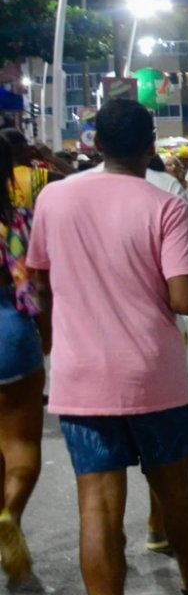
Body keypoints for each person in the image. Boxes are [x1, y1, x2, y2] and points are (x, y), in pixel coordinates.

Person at [27, 99, 188, 594]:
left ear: (95, 144)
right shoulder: (165, 205)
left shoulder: (54, 199)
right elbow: (186, 300)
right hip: (153, 377)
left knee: (97, 507)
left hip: (81, 377)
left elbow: (41, 284)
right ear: (150, 147)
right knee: (174, 490)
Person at [0, 137, 42, 585]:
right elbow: (36, 284)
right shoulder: (17, 219)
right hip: (10, 333)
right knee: (19, 444)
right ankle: (8, 518)